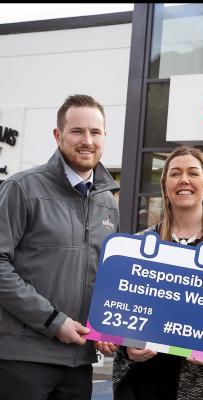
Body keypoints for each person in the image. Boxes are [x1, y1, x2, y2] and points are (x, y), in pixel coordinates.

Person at [0, 94, 120, 399]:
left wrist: (107, 328)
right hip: (23, 358)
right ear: (58, 135)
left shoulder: (108, 202)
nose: (87, 140)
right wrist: (54, 321)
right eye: (77, 131)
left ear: (105, 136)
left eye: (95, 132)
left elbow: (104, 277)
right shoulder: (21, 188)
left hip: (79, 361)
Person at [112, 146, 203, 400]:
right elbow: (122, 309)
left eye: (192, 173)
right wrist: (127, 345)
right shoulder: (140, 244)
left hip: (200, 383)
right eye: (175, 173)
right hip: (143, 380)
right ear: (165, 186)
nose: (184, 180)